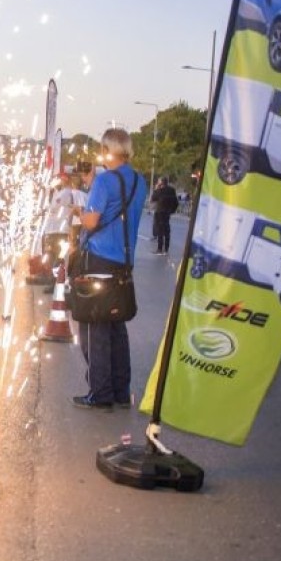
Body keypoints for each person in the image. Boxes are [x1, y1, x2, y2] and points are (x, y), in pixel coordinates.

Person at [73, 128, 147, 411]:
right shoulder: (140, 181)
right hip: (124, 262)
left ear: (106, 150)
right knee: (116, 325)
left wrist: (78, 212)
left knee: (94, 326)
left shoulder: (103, 182)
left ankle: (99, 393)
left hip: (100, 259)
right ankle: (120, 391)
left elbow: (91, 221)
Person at [150, 177, 178, 255]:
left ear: (161, 183)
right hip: (167, 213)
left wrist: (156, 188)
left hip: (159, 212)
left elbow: (153, 198)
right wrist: (172, 210)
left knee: (160, 231)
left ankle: (159, 249)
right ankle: (166, 249)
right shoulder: (172, 190)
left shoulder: (160, 191)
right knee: (166, 230)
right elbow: (176, 202)